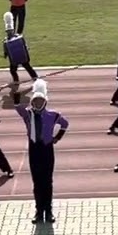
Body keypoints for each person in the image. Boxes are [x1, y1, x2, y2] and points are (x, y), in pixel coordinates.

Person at [12, 79, 68, 224]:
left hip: (47, 149)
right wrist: (32, 88)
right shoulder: (27, 114)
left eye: (40, 101)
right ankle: (39, 211)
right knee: (37, 182)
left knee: (47, 181)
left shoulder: (53, 115)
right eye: (35, 101)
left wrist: (57, 137)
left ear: (45, 102)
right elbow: (16, 98)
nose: (37, 103)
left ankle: (48, 211)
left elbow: (65, 124)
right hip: (34, 149)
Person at [3, 11, 38, 83]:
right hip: (19, 58)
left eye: (10, 31)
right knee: (17, 69)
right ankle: (32, 78)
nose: (9, 33)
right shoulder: (15, 38)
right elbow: (24, 45)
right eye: (8, 31)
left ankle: (34, 78)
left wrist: (5, 54)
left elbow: (6, 50)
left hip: (15, 59)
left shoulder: (8, 41)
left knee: (24, 68)